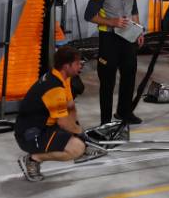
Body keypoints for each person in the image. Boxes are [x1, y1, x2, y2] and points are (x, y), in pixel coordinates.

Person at [15, 46, 103, 181]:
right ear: (66, 66)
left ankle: (81, 147)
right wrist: (81, 136)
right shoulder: (54, 88)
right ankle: (33, 159)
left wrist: (78, 132)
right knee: (76, 148)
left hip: (46, 126)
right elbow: (63, 123)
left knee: (77, 136)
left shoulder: (63, 77)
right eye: (77, 63)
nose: (81, 65)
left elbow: (70, 107)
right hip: (31, 134)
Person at [83, 0, 143, 125]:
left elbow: (134, 8)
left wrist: (138, 31)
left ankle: (124, 113)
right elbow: (89, 16)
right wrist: (112, 22)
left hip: (128, 37)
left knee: (129, 76)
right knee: (108, 81)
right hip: (109, 39)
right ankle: (106, 122)